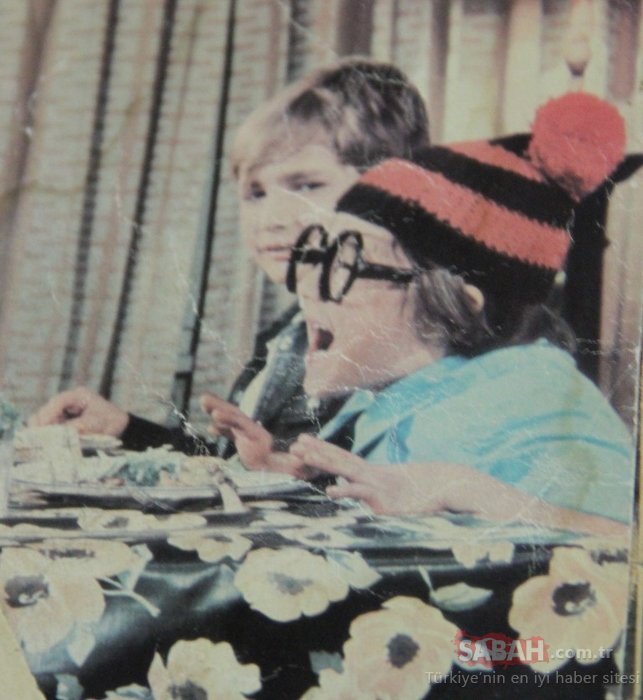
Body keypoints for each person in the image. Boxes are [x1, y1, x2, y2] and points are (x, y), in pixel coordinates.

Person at [211, 92, 634, 534]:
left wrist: (465, 490)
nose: (306, 287)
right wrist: (287, 476)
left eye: (347, 264)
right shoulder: (395, 395)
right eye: (317, 255)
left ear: (453, 307)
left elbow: (622, 551)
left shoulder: (541, 402)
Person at [28, 58, 430, 454]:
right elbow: (248, 467)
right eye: (255, 194)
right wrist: (126, 430)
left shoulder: (390, 341)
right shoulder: (289, 331)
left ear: (387, 190)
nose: (271, 220)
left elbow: (339, 481)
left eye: (306, 186)